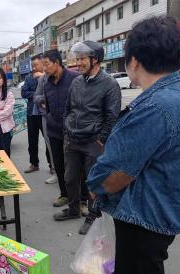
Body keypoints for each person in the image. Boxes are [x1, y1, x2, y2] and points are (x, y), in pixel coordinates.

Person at [86, 16, 180, 274]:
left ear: (133, 61)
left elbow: (117, 173)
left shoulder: (155, 106)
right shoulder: (170, 94)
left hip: (143, 219)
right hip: (155, 212)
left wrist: (95, 185)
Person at [56, 41, 121, 235]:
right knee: (70, 178)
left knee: (93, 182)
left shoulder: (110, 84)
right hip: (73, 140)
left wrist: (101, 139)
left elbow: (112, 116)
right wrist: (67, 130)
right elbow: (68, 108)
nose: (79, 63)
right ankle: (74, 209)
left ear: (95, 60)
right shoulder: (76, 82)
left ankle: (93, 216)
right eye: (77, 59)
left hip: (93, 142)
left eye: (82, 58)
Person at [39, 49, 79, 207]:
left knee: (76, 167)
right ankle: (64, 195)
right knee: (59, 165)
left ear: (57, 63)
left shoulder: (75, 79)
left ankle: (81, 199)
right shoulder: (46, 82)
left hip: (72, 132)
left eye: (46, 64)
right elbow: (47, 105)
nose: (44, 68)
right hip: (54, 131)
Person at [21, 54, 52, 175]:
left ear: (42, 64)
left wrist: (43, 76)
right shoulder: (29, 78)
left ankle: (52, 165)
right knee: (32, 141)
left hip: (44, 113)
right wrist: (37, 96)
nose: (34, 67)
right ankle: (34, 164)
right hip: (32, 113)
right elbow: (24, 92)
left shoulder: (49, 76)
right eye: (32, 65)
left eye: (37, 65)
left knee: (48, 140)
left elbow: (50, 91)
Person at [33, 72, 58, 185]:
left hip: (63, 118)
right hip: (46, 117)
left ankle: (68, 175)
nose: (45, 68)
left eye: (47, 64)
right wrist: (45, 100)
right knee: (50, 146)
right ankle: (55, 172)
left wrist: (47, 99)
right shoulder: (42, 79)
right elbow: (36, 97)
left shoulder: (65, 77)